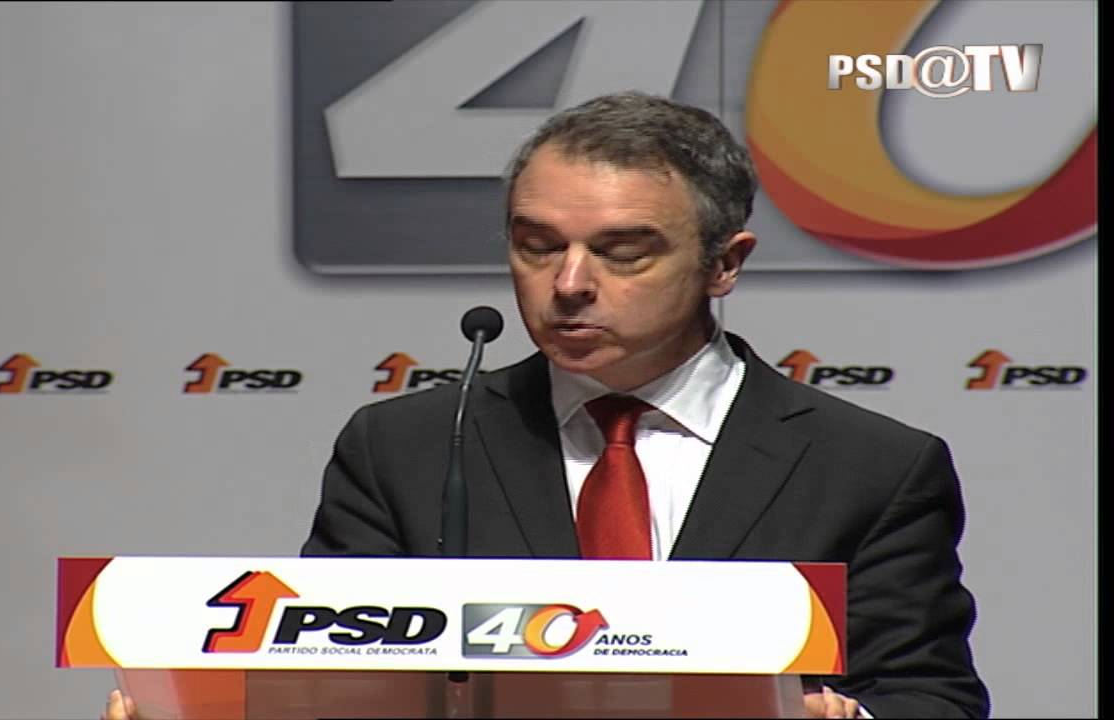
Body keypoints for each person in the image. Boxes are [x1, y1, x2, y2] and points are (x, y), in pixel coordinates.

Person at [106, 92, 989, 719]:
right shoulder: (407, 447)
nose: (568, 284)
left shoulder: (868, 466)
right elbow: (328, 681)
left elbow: (929, 696)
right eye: (536, 246)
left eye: (623, 252)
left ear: (725, 263)